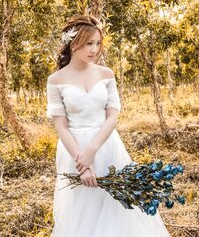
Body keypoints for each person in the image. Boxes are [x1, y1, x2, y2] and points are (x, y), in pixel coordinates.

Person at [46, 15, 170, 236]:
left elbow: (112, 115)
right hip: (74, 150)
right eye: (88, 43)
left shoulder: (106, 74)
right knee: (82, 209)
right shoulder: (56, 80)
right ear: (73, 43)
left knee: (116, 208)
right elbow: (61, 126)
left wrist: (93, 149)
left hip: (106, 145)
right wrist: (82, 162)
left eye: (97, 43)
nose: (94, 50)